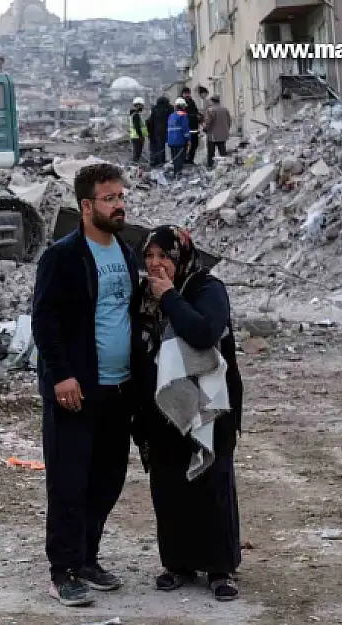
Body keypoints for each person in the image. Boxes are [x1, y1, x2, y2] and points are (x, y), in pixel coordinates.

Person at [31, 162, 140, 606]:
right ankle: (63, 571)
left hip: (119, 390)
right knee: (69, 481)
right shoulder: (63, 256)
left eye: (122, 196)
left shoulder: (127, 253)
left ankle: (88, 557)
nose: (120, 204)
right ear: (86, 205)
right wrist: (61, 376)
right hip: (76, 390)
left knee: (108, 479)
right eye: (110, 198)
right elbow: (45, 319)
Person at [130, 225, 244, 601]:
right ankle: (177, 562)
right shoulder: (144, 296)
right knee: (169, 485)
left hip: (208, 406)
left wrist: (170, 298)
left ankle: (220, 568)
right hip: (162, 408)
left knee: (212, 483)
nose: (156, 264)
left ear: (181, 257)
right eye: (150, 257)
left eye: (164, 256)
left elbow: (204, 332)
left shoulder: (206, 289)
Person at [166, 98, 191, 179]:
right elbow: (185, 129)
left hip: (171, 141)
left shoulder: (171, 115)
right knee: (180, 158)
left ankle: (175, 173)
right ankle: (178, 175)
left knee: (174, 158)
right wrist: (188, 139)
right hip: (180, 141)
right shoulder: (183, 115)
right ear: (182, 106)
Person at [204, 95, 231, 168]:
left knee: (211, 153)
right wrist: (226, 130)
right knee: (222, 151)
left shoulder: (210, 110)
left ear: (212, 101)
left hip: (212, 135)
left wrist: (205, 129)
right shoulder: (225, 109)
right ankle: (225, 166)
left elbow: (208, 122)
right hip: (223, 135)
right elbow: (229, 122)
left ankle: (210, 167)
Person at [147, 95, 172, 168]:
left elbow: (150, 122)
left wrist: (150, 133)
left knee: (159, 147)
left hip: (157, 131)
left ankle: (159, 163)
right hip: (168, 130)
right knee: (169, 148)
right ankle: (169, 162)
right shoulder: (170, 108)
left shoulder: (155, 109)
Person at [180, 87, 201, 164]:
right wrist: (194, 116)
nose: (187, 94)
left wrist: (198, 116)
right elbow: (182, 115)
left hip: (194, 127)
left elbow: (196, 111)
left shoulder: (192, 102)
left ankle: (190, 159)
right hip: (186, 127)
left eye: (188, 93)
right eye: (185, 93)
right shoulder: (181, 103)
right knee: (184, 144)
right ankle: (184, 159)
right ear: (182, 94)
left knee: (195, 144)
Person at [129, 97, 147, 163]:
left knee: (136, 154)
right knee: (137, 155)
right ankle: (134, 168)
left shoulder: (135, 114)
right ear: (138, 105)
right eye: (141, 106)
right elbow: (137, 127)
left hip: (136, 137)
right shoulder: (135, 115)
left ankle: (135, 167)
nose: (142, 107)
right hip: (137, 137)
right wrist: (141, 136)